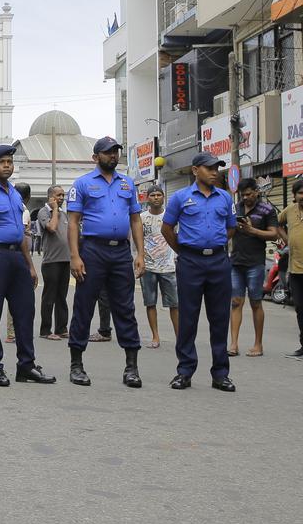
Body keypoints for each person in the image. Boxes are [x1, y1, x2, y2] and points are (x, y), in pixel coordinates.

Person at [0, 145, 55, 387]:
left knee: (25, 313)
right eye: (1, 162)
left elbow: (21, 234)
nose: (7, 165)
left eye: (9, 161)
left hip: (17, 258)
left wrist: (30, 266)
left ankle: (26, 365)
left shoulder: (15, 195)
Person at [66, 137, 145, 388]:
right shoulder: (82, 184)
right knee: (84, 306)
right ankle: (76, 365)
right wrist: (75, 256)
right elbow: (73, 221)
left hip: (121, 253)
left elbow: (135, 220)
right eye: (108, 152)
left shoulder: (127, 183)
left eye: (116, 152)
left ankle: (131, 367)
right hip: (92, 251)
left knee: (125, 308)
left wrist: (140, 254)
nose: (113, 156)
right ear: (95, 157)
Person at [160, 152, 237, 392]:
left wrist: (213, 246)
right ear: (195, 170)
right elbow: (167, 229)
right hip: (190, 262)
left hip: (218, 262)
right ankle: (184, 371)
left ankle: (220, 374)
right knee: (188, 318)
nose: (215, 172)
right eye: (209, 168)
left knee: (219, 318)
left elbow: (231, 229)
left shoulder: (225, 197)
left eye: (217, 168)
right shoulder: (181, 197)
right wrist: (184, 250)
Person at [228, 177, 277, 358]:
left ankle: (258, 344)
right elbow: (227, 230)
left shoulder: (267, 210)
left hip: (255, 264)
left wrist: (253, 231)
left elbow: (273, 234)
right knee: (235, 303)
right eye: (243, 195)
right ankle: (233, 344)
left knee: (256, 302)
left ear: (256, 191)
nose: (246, 198)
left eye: (249, 194)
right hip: (236, 262)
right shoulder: (236, 207)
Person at [138, 186, 178, 348]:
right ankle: (155, 336)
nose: (156, 198)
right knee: (150, 303)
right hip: (148, 266)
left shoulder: (171, 216)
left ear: (163, 197)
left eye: (159, 195)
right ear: (147, 198)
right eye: (152, 195)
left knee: (174, 304)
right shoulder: (141, 218)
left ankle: (179, 337)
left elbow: (178, 237)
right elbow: (136, 240)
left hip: (169, 266)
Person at [37, 185, 70, 340]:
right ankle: (45, 330)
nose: (61, 198)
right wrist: (55, 209)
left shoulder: (65, 214)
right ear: (50, 197)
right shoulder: (44, 212)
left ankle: (61, 328)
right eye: (58, 195)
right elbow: (51, 227)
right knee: (49, 297)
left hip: (65, 260)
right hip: (51, 261)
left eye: (63, 195)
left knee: (62, 297)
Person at [276, 179, 303, 359]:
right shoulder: (290, 211)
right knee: (300, 309)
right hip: (296, 269)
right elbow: (276, 223)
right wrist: (286, 239)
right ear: (294, 195)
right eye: (300, 193)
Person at [4, 182, 32, 343]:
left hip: (8, 253)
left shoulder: (11, 205)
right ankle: (14, 332)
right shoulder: (23, 210)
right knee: (18, 295)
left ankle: (13, 331)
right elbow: (19, 233)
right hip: (19, 255)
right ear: (27, 197)